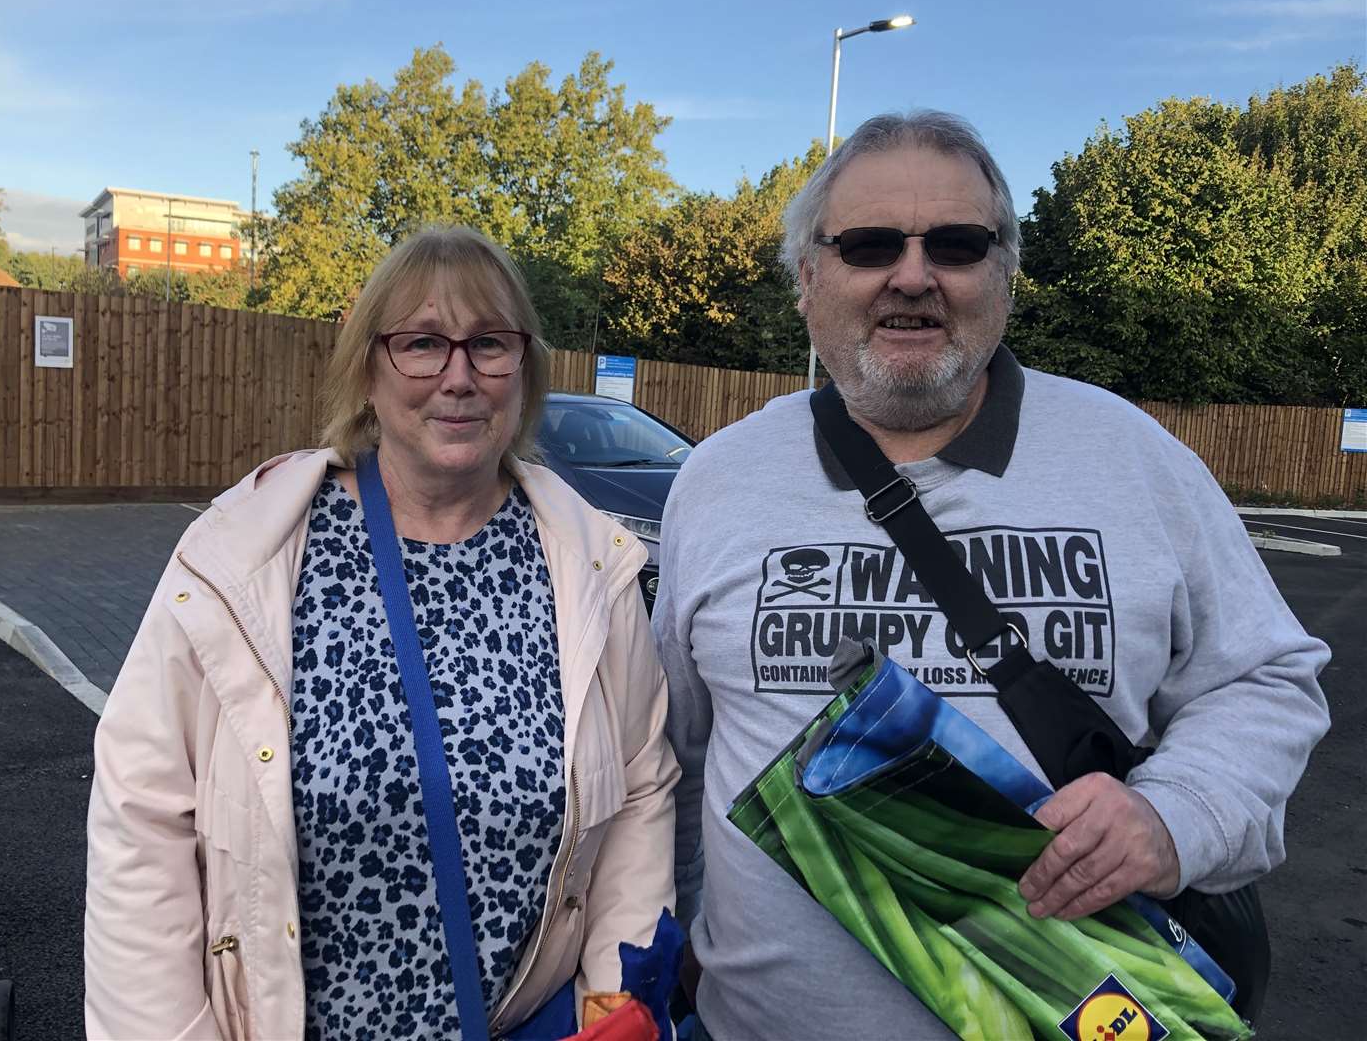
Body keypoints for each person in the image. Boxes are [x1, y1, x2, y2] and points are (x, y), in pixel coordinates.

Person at [653, 110, 1331, 1040]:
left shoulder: (1131, 457)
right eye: (870, 244)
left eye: (958, 245)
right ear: (808, 280)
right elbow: (675, 756)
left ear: (1005, 277)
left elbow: (1266, 676)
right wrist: (671, 934)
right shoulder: (718, 479)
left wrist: (1175, 816)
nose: (914, 276)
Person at [84, 226, 678, 1040]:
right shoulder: (245, 552)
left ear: (525, 369)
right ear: (368, 368)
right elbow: (141, 812)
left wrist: (620, 999)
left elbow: (641, 787)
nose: (460, 377)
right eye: (423, 343)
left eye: (490, 345)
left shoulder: (590, 567)